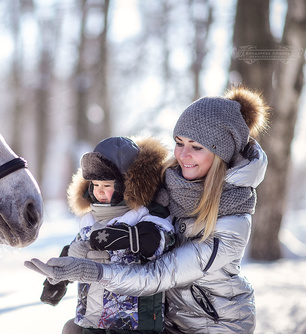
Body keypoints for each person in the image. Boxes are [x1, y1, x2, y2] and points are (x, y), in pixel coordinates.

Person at [25, 85, 269, 334]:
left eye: (196, 147)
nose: (183, 155)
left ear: (220, 153)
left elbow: (157, 275)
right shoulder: (168, 181)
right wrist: (69, 261)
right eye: (179, 142)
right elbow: (113, 217)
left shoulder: (232, 222)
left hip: (213, 325)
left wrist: (91, 271)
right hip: (164, 318)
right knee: (74, 330)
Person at [39, 136, 174, 333]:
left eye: (107, 185)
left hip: (134, 321)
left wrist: (127, 236)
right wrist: (57, 280)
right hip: (92, 317)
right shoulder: (89, 218)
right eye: (95, 185)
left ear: (125, 185)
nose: (100, 191)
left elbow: (158, 240)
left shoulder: (143, 213)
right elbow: (75, 250)